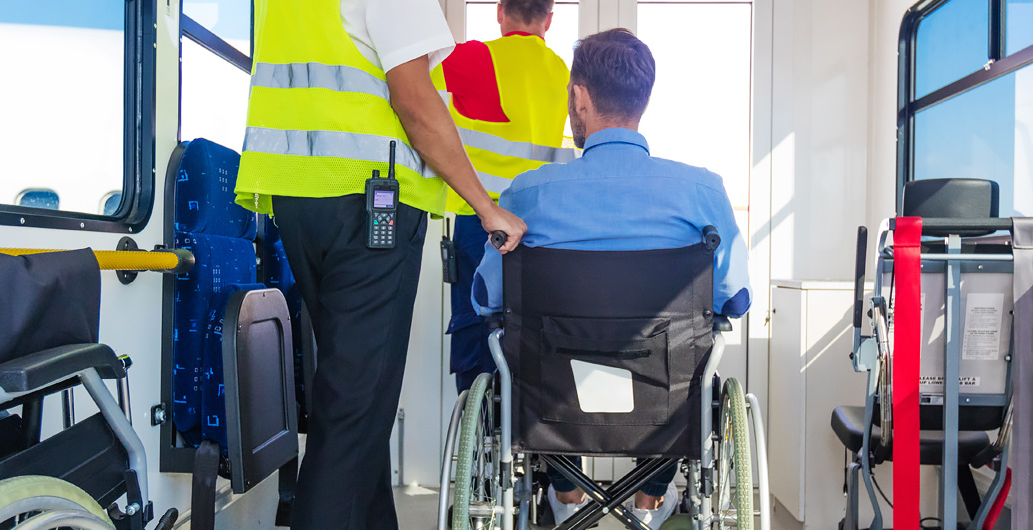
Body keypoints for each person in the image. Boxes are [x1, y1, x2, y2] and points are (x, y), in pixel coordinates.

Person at [231, 0, 527, 528]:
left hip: (299, 201)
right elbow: (414, 101)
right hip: (368, 208)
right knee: (353, 411)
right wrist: (484, 205)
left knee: (354, 393)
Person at [471, 28, 752, 526]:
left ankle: (567, 498)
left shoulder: (526, 194)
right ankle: (649, 501)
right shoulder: (701, 191)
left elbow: (489, 296)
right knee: (691, 360)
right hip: (663, 405)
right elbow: (733, 296)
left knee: (528, 355)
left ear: (579, 97)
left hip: (553, 404)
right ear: (643, 99)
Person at [431, 0, 575, 394]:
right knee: (539, 344)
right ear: (549, 18)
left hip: (480, 223)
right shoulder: (565, 74)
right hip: (542, 229)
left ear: (499, 11)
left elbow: (414, 100)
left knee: (479, 339)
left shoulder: (472, 59)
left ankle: (478, 439)